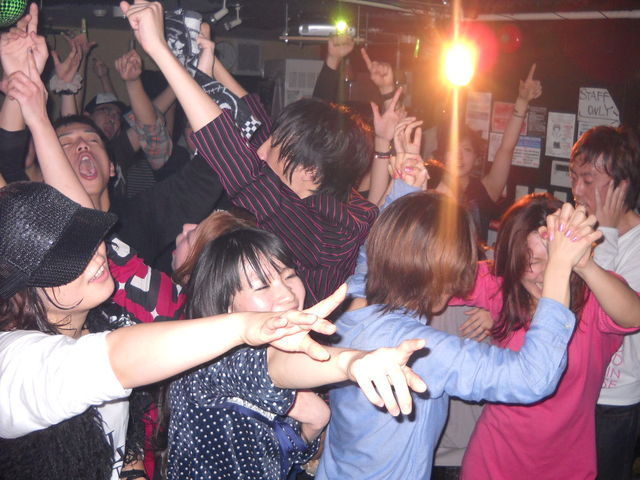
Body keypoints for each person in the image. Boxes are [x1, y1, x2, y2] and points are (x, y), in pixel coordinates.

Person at [317, 151, 598, 478]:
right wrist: (558, 268)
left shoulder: (356, 294)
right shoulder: (413, 350)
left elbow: (370, 252)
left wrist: (405, 188)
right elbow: (531, 378)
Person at [120, 0, 378, 305]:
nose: (262, 148)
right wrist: (209, 62)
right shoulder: (323, 193)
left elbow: (244, 170)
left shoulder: (328, 236)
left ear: (310, 172)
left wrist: (159, 50)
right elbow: (259, 125)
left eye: (275, 145)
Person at [166, 227, 427, 480]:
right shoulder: (208, 363)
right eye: (262, 286)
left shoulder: (281, 352)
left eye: (289, 276)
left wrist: (313, 424)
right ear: (226, 306)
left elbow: (282, 456)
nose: (287, 294)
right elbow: (270, 366)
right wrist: (350, 362)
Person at [453, 193, 640, 479]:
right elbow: (429, 275)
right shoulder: (502, 287)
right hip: (493, 462)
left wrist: (584, 264)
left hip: (568, 467)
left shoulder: (591, 299)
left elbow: (634, 315)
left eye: (553, 260)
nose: (543, 274)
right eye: (531, 261)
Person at [569, 125, 640, 480]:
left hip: (613, 401)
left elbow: (601, 312)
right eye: (574, 177)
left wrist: (607, 235)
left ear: (621, 185)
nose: (576, 190)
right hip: (574, 393)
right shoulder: (583, 227)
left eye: (588, 179)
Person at [433, 64, 542, 242]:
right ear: (443, 155)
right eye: (453, 149)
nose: (459, 156)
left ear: (476, 158)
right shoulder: (429, 186)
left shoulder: (485, 190)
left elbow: (506, 149)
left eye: (467, 149)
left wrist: (522, 102)